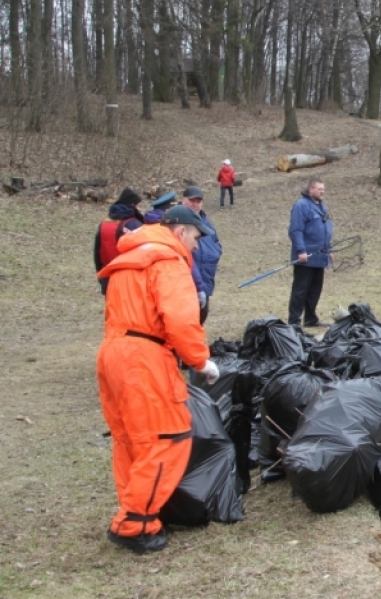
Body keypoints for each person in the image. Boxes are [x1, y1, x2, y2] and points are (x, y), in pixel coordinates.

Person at [95, 205, 220, 554]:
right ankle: (134, 522)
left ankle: (142, 511)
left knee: (131, 439)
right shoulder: (168, 262)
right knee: (169, 436)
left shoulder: (132, 257)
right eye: (196, 237)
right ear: (180, 232)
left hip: (113, 352)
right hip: (144, 359)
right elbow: (181, 319)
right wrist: (200, 361)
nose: (196, 246)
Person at [288, 178, 334, 328]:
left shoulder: (322, 207)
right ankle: (294, 321)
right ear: (311, 190)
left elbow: (326, 230)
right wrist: (301, 251)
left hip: (320, 256)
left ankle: (310, 319)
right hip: (306, 257)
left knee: (315, 289)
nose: (322, 192)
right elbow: (296, 230)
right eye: (319, 189)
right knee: (300, 290)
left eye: (323, 189)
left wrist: (329, 250)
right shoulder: (301, 206)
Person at [181, 185, 222, 324]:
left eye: (198, 201)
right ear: (183, 200)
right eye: (192, 200)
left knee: (201, 317)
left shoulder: (205, 221)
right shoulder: (178, 220)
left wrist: (216, 253)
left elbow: (216, 242)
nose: (195, 204)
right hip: (186, 281)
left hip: (206, 278)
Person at [94, 188, 144, 296]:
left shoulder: (105, 222)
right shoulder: (134, 225)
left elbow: (97, 252)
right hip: (129, 279)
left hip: (108, 276)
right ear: (132, 205)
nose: (140, 209)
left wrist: (101, 276)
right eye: (138, 205)